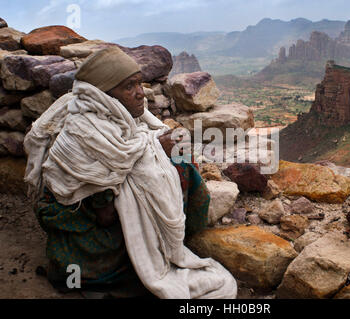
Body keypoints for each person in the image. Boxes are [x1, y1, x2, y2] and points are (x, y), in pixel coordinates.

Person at [24, 46, 237, 299]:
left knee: (177, 163)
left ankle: (171, 241)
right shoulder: (83, 134)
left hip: (103, 217)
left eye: (140, 84)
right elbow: (104, 215)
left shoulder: (119, 116)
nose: (140, 94)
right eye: (129, 87)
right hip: (86, 234)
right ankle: (151, 255)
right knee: (172, 168)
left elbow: (134, 145)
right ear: (103, 95)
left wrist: (157, 151)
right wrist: (156, 150)